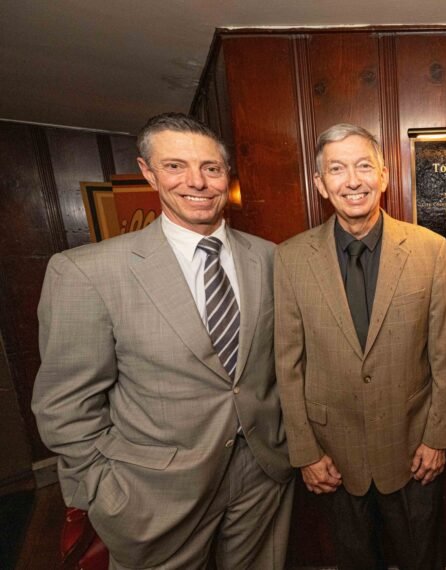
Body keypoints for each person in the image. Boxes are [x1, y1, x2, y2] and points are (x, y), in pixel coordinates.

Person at [32, 113, 294, 569]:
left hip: (262, 474)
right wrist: (103, 491)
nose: (198, 182)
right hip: (152, 494)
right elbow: (65, 405)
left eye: (211, 168)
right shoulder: (87, 272)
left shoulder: (270, 257)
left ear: (226, 175)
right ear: (148, 172)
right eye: (175, 166)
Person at [274, 123, 446, 569]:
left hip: (413, 447)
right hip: (333, 456)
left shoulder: (429, 249)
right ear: (320, 184)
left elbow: (443, 354)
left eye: (362, 166)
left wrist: (437, 437)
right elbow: (288, 363)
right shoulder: (291, 257)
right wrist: (305, 453)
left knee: (421, 558)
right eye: (337, 169)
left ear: (384, 175)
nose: (352, 181)